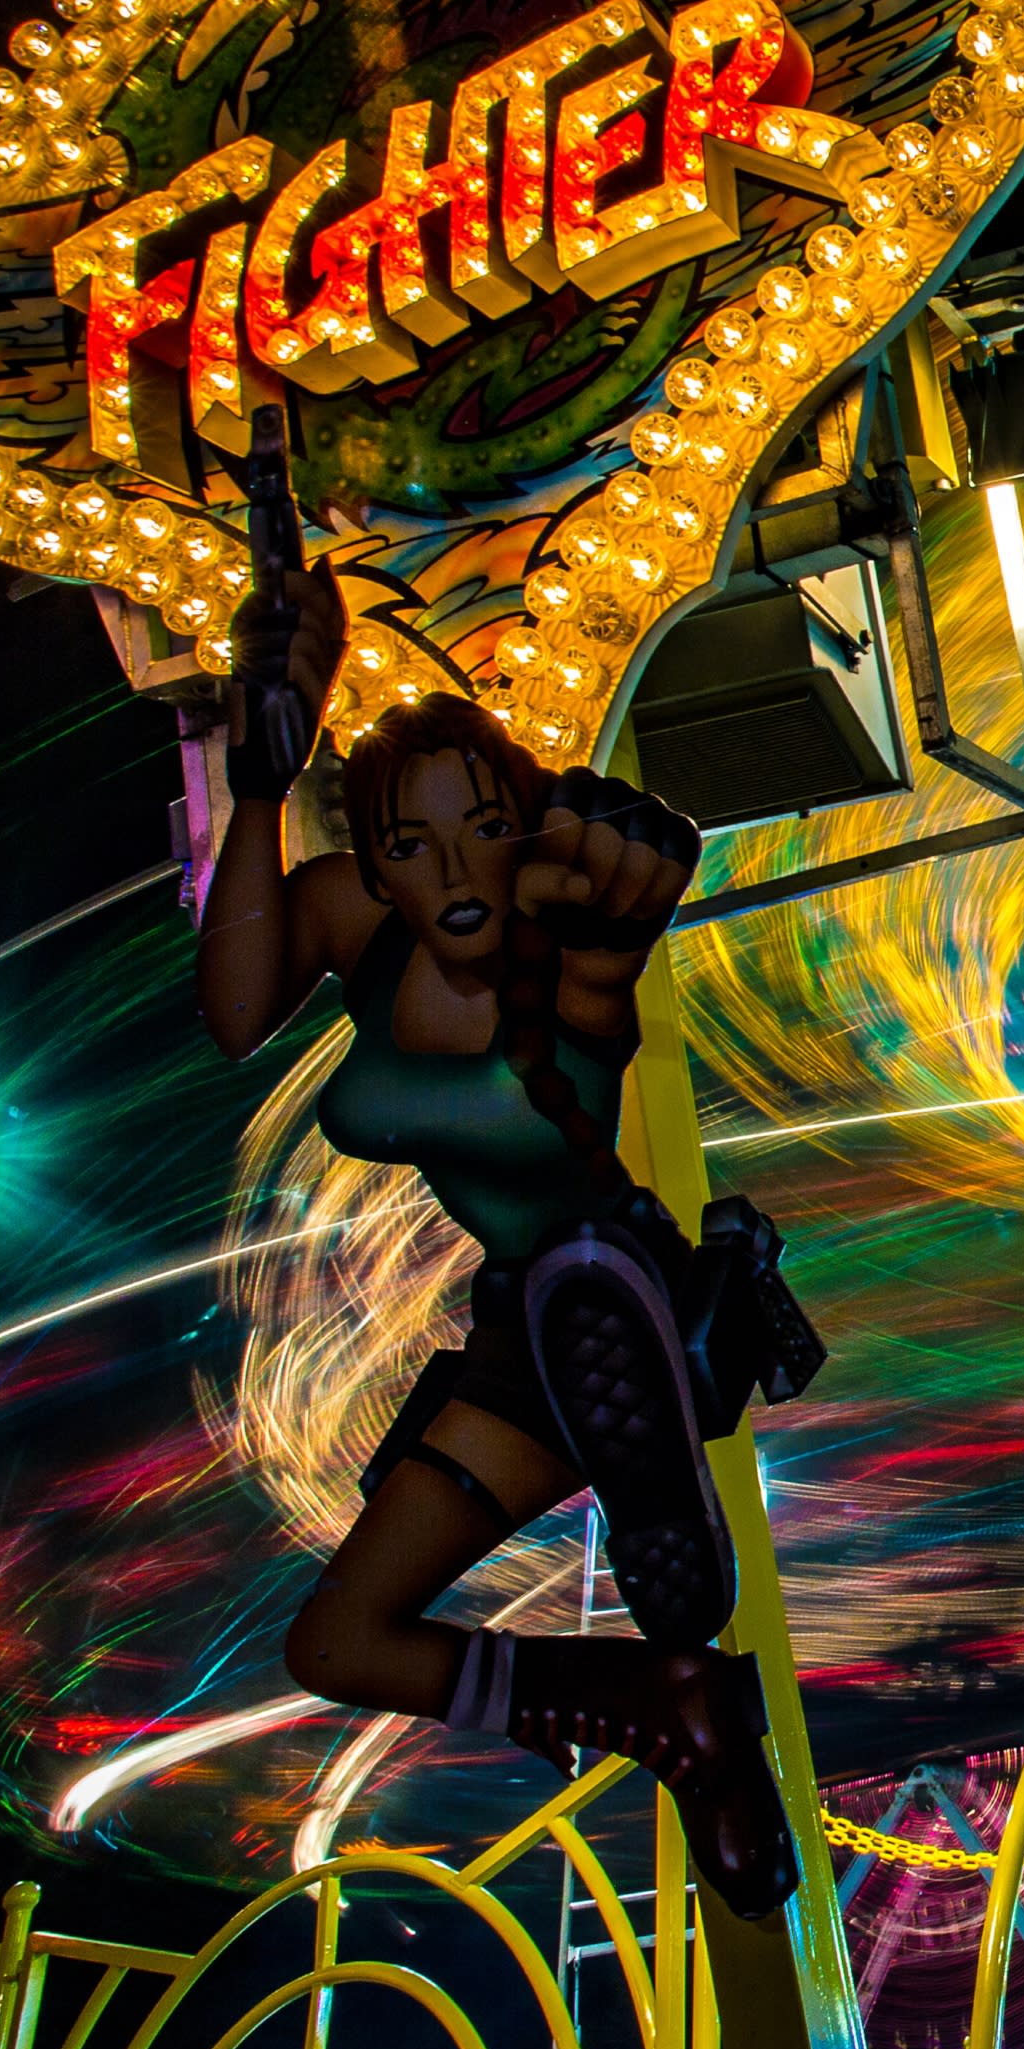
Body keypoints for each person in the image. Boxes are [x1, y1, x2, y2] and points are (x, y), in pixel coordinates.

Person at [200, 511, 809, 1917]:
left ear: (527, 828)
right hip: (521, 1340)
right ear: (374, 867)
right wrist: (254, 780)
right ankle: (669, 1701)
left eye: (487, 824)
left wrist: (622, 889)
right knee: (337, 1639)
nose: (456, 864)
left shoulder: (559, 941)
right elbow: (235, 1012)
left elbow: (608, 947)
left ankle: (656, 1407)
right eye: (414, 843)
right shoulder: (360, 932)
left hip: (610, 1268)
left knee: (578, 1265)